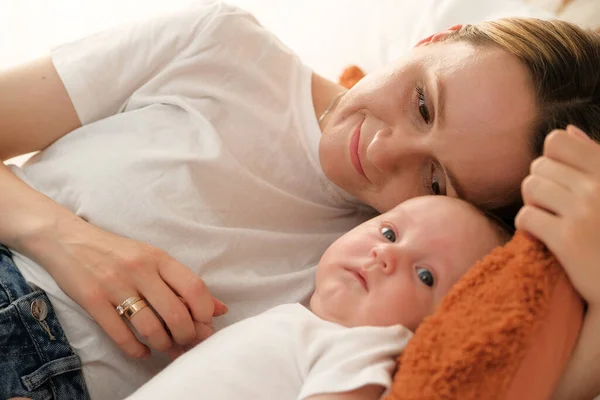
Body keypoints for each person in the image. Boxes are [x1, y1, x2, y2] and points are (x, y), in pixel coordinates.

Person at [0, 0, 598, 398]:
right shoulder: (218, 47)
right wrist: (64, 239)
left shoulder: (394, 285)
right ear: (434, 39)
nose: (386, 149)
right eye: (423, 103)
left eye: (436, 181)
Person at [126, 195, 510, 400]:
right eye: (390, 233)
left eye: (426, 275)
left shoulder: (366, 345)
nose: (386, 255)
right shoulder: (304, 323)